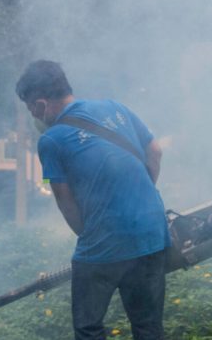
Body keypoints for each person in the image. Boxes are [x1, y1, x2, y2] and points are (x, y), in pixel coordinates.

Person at [15, 60, 169, 340]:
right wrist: (139, 199)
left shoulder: (51, 141)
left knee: (88, 329)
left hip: (104, 243)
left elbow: (63, 198)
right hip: (153, 231)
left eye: (30, 109)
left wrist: (87, 234)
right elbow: (155, 151)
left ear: (40, 105)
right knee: (148, 328)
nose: (33, 115)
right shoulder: (115, 108)